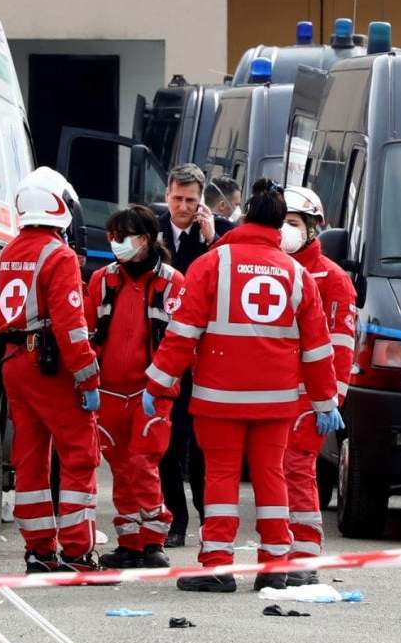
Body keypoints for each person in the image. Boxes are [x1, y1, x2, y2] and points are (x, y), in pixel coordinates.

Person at [143, 181, 342, 592]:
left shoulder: (214, 263)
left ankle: (217, 565)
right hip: (278, 404)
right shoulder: (298, 274)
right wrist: (325, 402)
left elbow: (182, 334)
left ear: (246, 216)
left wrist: (158, 385)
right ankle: (275, 567)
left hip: (219, 400)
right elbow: (318, 349)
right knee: (272, 479)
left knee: (220, 479)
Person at [0, 167, 107, 575]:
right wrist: (88, 377)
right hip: (49, 366)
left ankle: (39, 551)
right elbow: (71, 325)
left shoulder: (9, 251)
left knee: (30, 457)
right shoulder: (57, 254)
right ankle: (78, 553)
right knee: (79, 453)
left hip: (14, 364)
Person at [84, 204, 181, 568]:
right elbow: (87, 331)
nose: (115, 243)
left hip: (151, 392)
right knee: (120, 467)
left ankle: (154, 539)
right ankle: (129, 541)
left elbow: (180, 340)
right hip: (108, 391)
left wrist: (163, 385)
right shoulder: (102, 280)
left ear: (144, 239)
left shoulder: (171, 282)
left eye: (121, 236)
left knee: (143, 464)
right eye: (112, 236)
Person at [279, 185, 356, 587]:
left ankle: (304, 554)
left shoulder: (334, 279)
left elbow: (341, 348)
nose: (284, 231)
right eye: (279, 222)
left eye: (292, 223)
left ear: (312, 230)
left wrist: (329, 401)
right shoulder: (271, 269)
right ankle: (279, 550)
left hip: (309, 398)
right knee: (273, 473)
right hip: (272, 394)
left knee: (296, 469)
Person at [156, 164, 214, 545]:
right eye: (177, 198)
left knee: (204, 443)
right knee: (168, 442)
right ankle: (175, 520)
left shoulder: (216, 233)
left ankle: (209, 518)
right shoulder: (151, 229)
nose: (183, 206)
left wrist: (212, 239)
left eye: (191, 200)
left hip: (205, 354)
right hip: (165, 348)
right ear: (167, 195)